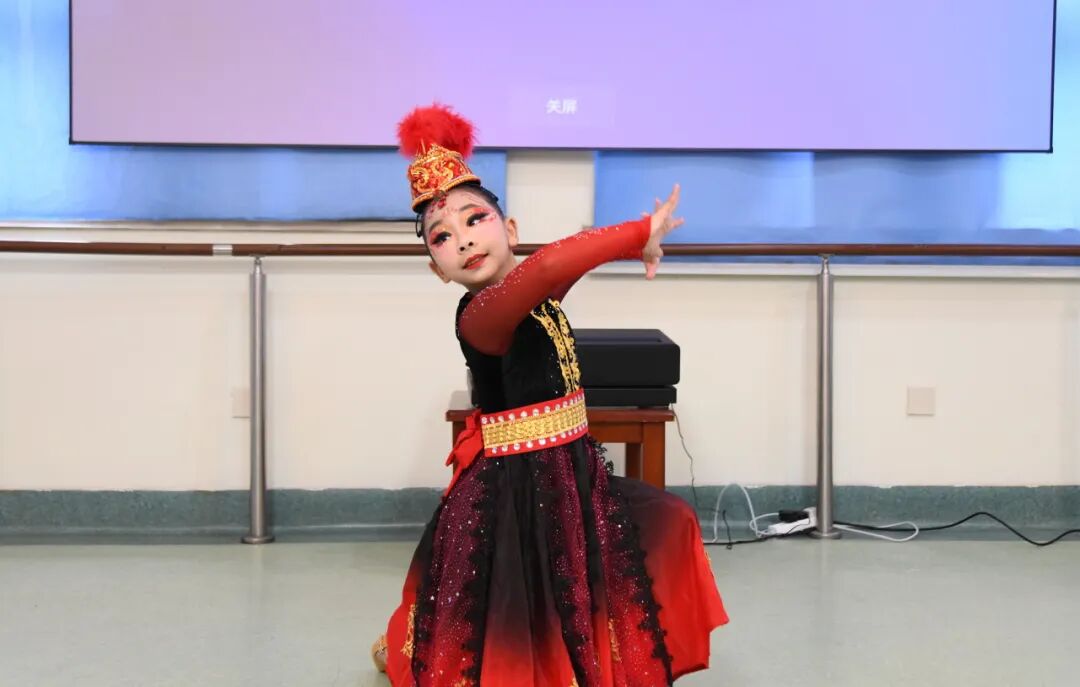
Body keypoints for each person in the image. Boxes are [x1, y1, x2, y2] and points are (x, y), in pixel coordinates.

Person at [374, 104, 727, 687]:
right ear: (438, 269)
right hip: (517, 493)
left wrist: (635, 248)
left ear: (509, 230)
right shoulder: (482, 315)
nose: (463, 239)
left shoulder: (534, 297)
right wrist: (637, 231)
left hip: (572, 473)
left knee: (668, 524)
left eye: (474, 219)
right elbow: (549, 265)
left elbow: (560, 272)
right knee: (525, 614)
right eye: (442, 237)